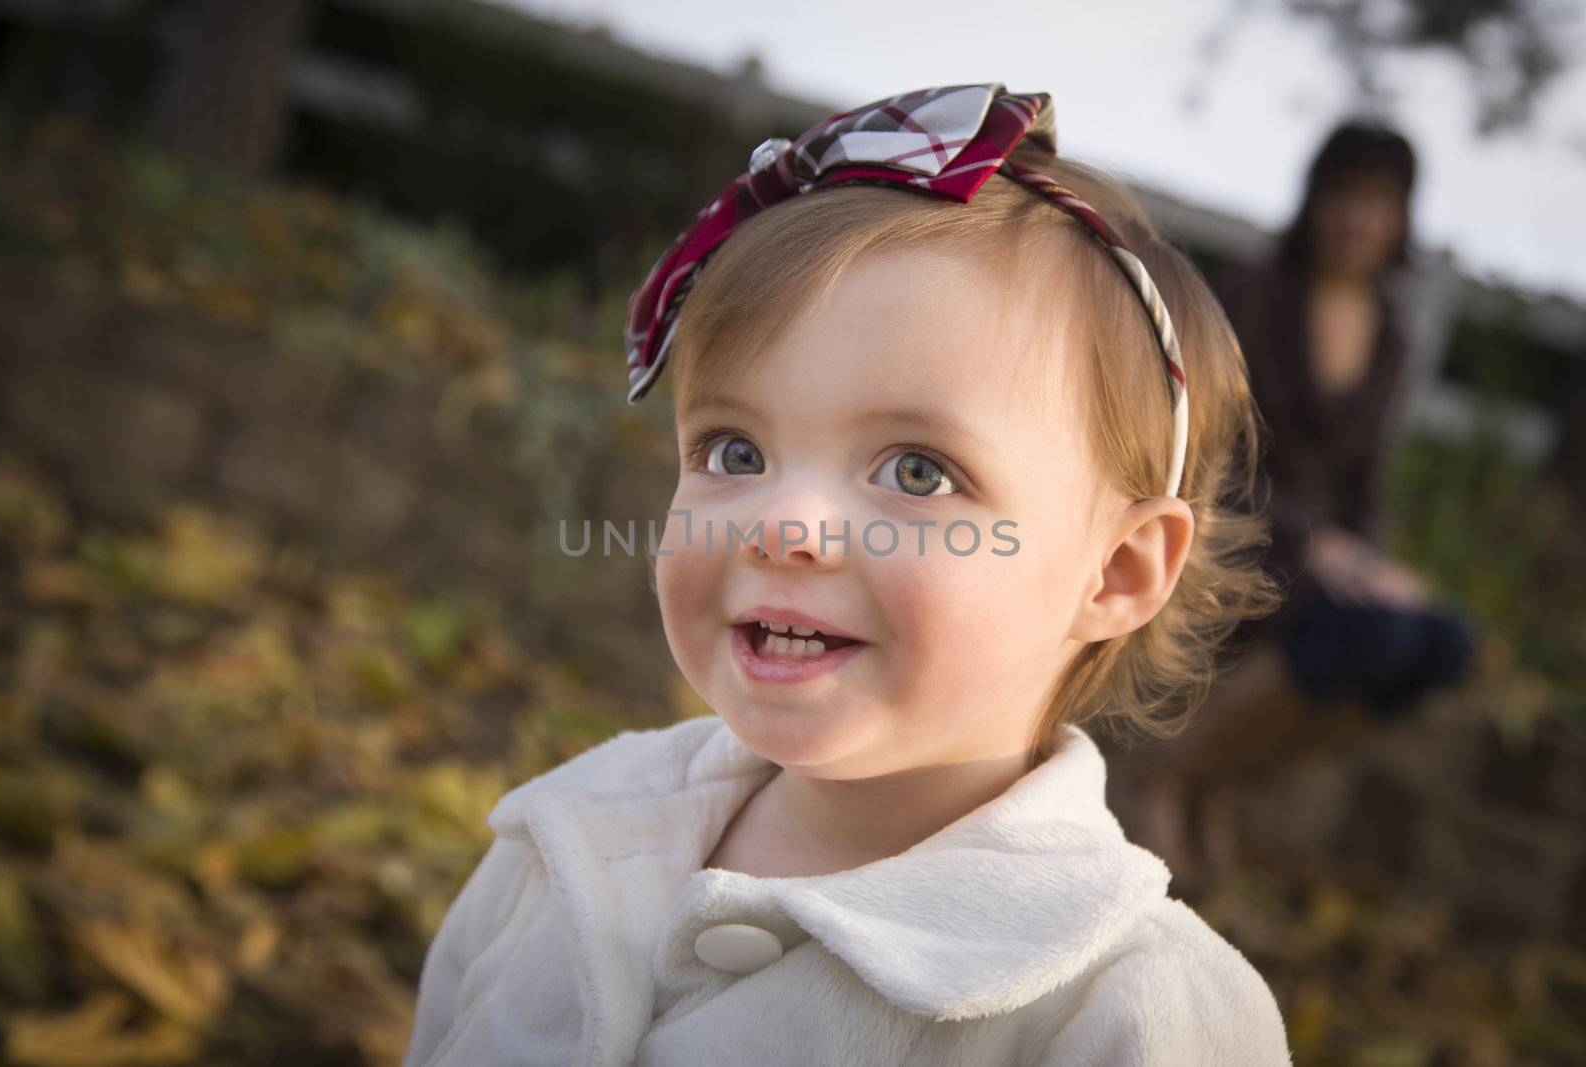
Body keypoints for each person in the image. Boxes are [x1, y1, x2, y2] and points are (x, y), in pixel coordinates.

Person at [402, 84, 1291, 1065]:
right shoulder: (572, 832)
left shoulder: (1132, 1013)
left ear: (1114, 571)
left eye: (917, 470)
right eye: (734, 451)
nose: (784, 526)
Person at [1106, 121, 1479, 891]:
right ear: (1315, 200)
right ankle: (1164, 775)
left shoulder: (1393, 338)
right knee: (1369, 637)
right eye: (1345, 196)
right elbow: (1214, 448)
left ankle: (1215, 778)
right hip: (1236, 529)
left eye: (1379, 202)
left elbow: (1364, 485)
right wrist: (1314, 544)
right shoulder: (1252, 294)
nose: (1358, 219)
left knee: (1443, 643)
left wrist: (1372, 562)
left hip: (1320, 555)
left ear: (1402, 217)